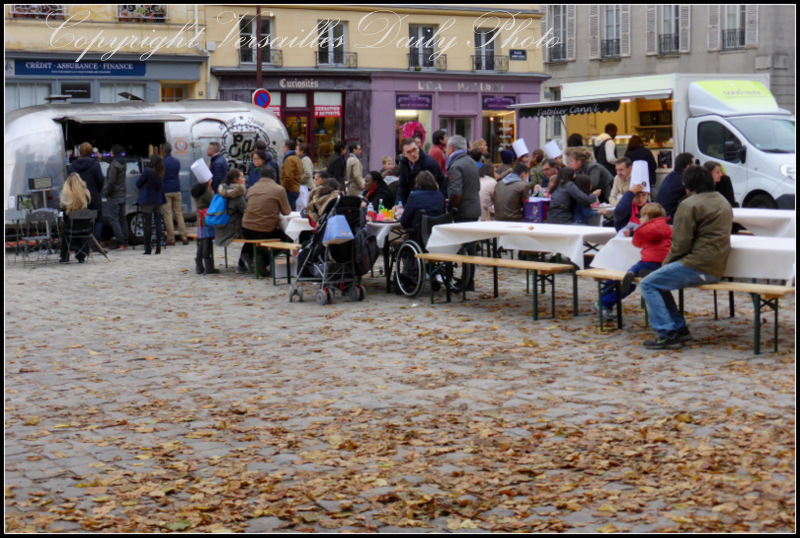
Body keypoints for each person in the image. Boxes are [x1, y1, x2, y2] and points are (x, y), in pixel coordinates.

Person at [640, 165, 733, 350]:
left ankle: (666, 332)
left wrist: (664, 265)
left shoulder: (690, 204)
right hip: (716, 265)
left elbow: (680, 243)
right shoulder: (722, 201)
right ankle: (678, 328)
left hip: (697, 265)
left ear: (688, 186)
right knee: (657, 282)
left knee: (648, 283)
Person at [595, 203, 672, 317]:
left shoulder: (644, 229)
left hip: (647, 262)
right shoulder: (668, 228)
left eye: (641, 216)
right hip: (664, 264)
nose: (640, 219)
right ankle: (633, 273)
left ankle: (605, 301)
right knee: (638, 271)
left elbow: (636, 243)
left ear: (648, 217)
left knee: (630, 274)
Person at [446, 134, 481, 291]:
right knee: (470, 247)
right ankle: (469, 280)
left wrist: (450, 207)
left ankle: (465, 281)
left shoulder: (456, 165)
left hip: (463, 211)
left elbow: (456, 192)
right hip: (474, 208)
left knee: (463, 247)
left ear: (452, 148)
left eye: (447, 147)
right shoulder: (472, 162)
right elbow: (477, 187)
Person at [241, 166, 292, 275]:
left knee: (253, 235)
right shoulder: (279, 190)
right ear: (274, 176)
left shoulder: (251, 188)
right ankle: (263, 260)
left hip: (246, 228)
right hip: (265, 229)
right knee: (287, 239)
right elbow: (287, 212)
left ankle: (245, 257)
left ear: (260, 177)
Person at [68, 142, 105, 241]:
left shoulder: (72, 166)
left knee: (80, 219)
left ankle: (81, 242)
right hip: (94, 195)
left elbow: (69, 181)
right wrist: (98, 190)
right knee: (98, 219)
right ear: (91, 151)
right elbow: (100, 180)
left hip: (78, 196)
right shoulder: (95, 165)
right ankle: (96, 241)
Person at [214, 169, 248, 273]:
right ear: (235, 180)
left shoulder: (223, 192)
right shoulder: (237, 195)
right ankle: (243, 263)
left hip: (220, 228)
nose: (244, 180)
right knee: (254, 234)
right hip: (233, 231)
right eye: (242, 177)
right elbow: (246, 212)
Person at [395, 137, 447, 206]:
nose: (413, 154)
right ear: (404, 154)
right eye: (409, 152)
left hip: (429, 201)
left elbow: (434, 188)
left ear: (418, 148)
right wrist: (398, 204)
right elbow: (402, 186)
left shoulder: (429, 163)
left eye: (414, 150)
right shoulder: (404, 163)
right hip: (415, 199)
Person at [136, 153, 167, 255]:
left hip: (147, 199)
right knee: (158, 223)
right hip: (158, 199)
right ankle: (158, 246)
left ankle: (148, 247)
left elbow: (138, 183)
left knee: (147, 223)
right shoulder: (161, 171)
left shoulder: (147, 171)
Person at [59, 173, 92, 263]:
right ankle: (81, 255)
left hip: (70, 229)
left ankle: (64, 256)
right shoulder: (86, 194)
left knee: (65, 231)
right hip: (85, 228)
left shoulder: (66, 196)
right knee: (82, 231)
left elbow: (65, 216)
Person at [191, 173, 219, 274]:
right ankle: (208, 267)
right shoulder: (206, 190)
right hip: (207, 217)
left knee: (202, 241)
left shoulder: (196, 189)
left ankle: (199, 266)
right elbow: (214, 201)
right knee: (207, 241)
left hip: (200, 218)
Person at [655, 152, 694, 223]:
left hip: (660, 216)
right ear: (688, 167)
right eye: (694, 165)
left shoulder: (671, 176)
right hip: (670, 219)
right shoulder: (684, 179)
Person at [161, 142, 187, 246]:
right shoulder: (177, 161)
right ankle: (184, 236)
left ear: (163, 151)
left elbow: (162, 177)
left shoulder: (162, 162)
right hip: (176, 189)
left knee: (168, 215)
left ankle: (171, 238)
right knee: (179, 213)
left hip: (166, 190)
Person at [614, 161, 651, 232]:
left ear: (648, 195)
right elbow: (618, 211)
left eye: (643, 195)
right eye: (636, 195)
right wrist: (630, 192)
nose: (640, 199)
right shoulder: (627, 207)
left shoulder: (651, 208)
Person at [103, 144, 128, 249]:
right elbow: (112, 161)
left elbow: (111, 181)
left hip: (114, 195)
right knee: (122, 218)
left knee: (114, 219)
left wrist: (106, 192)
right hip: (122, 193)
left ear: (113, 152)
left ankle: (120, 241)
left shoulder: (114, 165)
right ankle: (125, 241)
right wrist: (102, 157)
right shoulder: (123, 162)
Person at [281, 139, 303, 211]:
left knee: (289, 211)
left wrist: (282, 188)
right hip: (295, 188)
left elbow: (288, 177)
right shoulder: (297, 158)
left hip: (290, 190)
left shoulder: (289, 159)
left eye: (283, 146)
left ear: (287, 147)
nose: (283, 148)